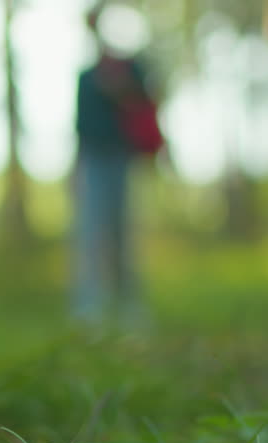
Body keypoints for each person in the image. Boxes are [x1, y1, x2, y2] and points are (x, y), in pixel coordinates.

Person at [71, 4, 161, 327]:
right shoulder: (85, 77)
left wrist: (118, 87)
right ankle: (89, 306)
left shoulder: (133, 69)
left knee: (124, 233)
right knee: (91, 233)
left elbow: (147, 103)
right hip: (93, 161)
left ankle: (129, 306)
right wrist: (75, 170)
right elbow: (79, 127)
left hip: (123, 159)